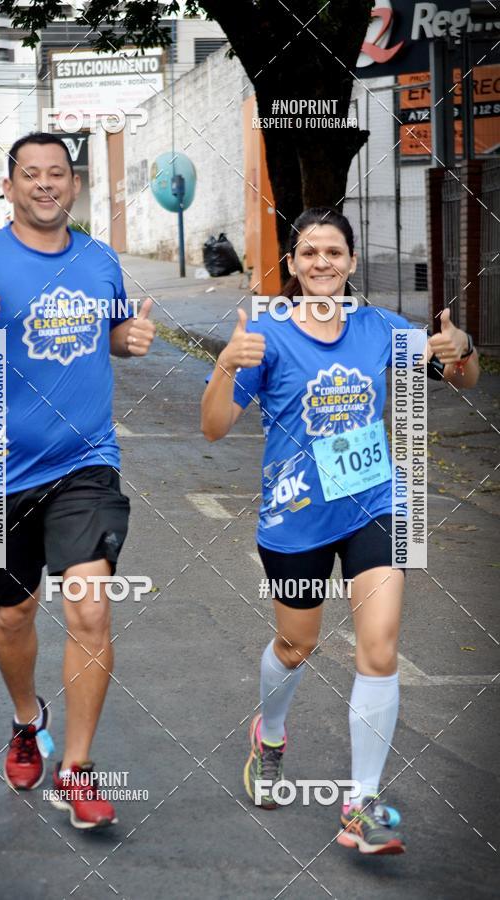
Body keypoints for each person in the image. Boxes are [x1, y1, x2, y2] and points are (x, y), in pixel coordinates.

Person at [201, 207, 479, 855]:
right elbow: (213, 427)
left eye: (334, 252)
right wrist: (223, 364)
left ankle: (360, 805)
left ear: (352, 263)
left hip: (373, 506)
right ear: (292, 266)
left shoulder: (380, 328)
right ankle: (269, 735)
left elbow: (463, 379)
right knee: (297, 646)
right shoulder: (265, 334)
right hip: (296, 515)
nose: (322, 262)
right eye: (309, 253)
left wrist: (460, 349)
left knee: (378, 647)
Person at [0, 132, 156, 831]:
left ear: (74, 186)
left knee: (89, 606)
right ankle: (25, 720)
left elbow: (111, 332)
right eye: (30, 174)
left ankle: (75, 768)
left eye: (58, 174)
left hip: (85, 465)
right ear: (9, 186)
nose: (45, 184)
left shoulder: (100, 260)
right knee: (13, 613)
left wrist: (125, 339)